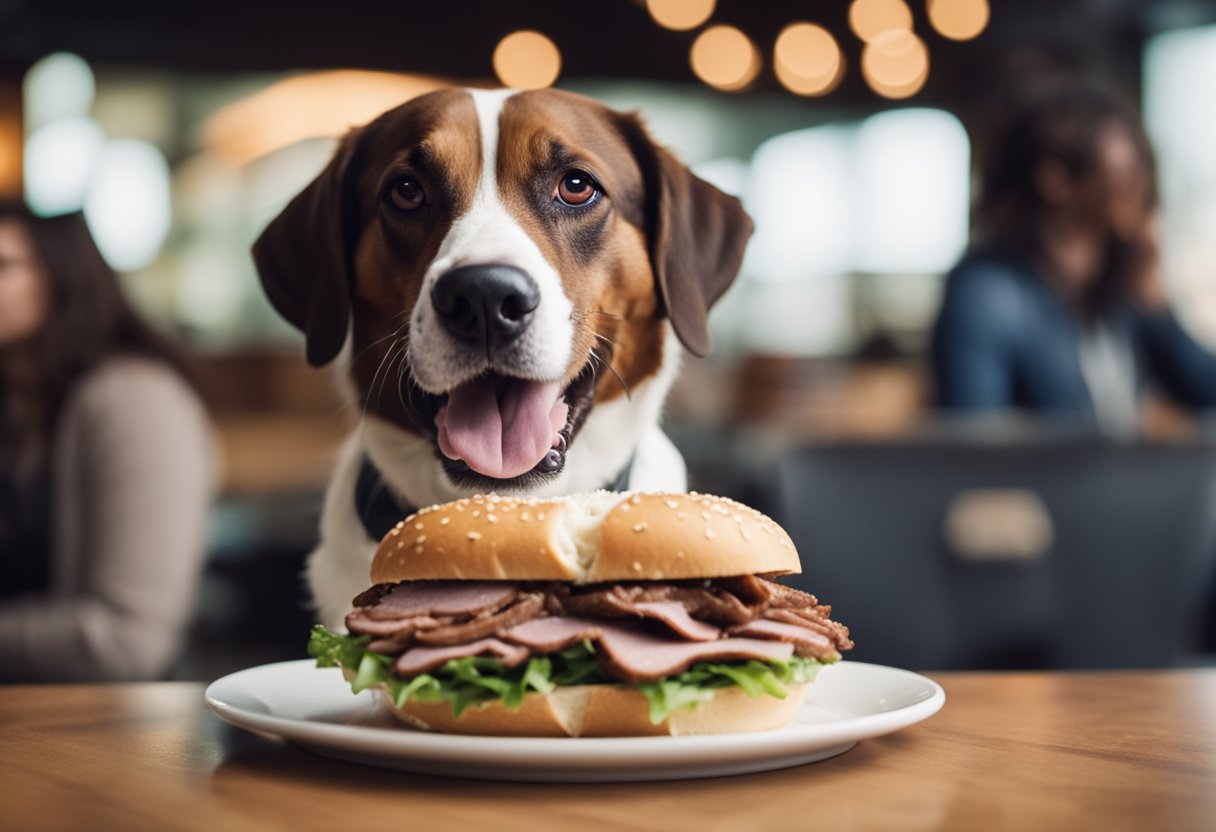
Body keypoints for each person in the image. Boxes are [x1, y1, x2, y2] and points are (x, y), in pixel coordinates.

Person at [0, 202, 212, 682]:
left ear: (62, 277)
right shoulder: (19, 402)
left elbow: (130, 638)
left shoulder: (136, 399)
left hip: (111, 731)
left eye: (2, 265)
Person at [932, 83, 1216, 435]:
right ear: (1055, 182)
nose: (1137, 194)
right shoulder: (986, 294)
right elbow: (970, 443)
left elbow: (1206, 392)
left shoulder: (1121, 289)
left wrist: (1159, 306)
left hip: (1115, 488)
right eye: (1121, 178)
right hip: (1041, 489)